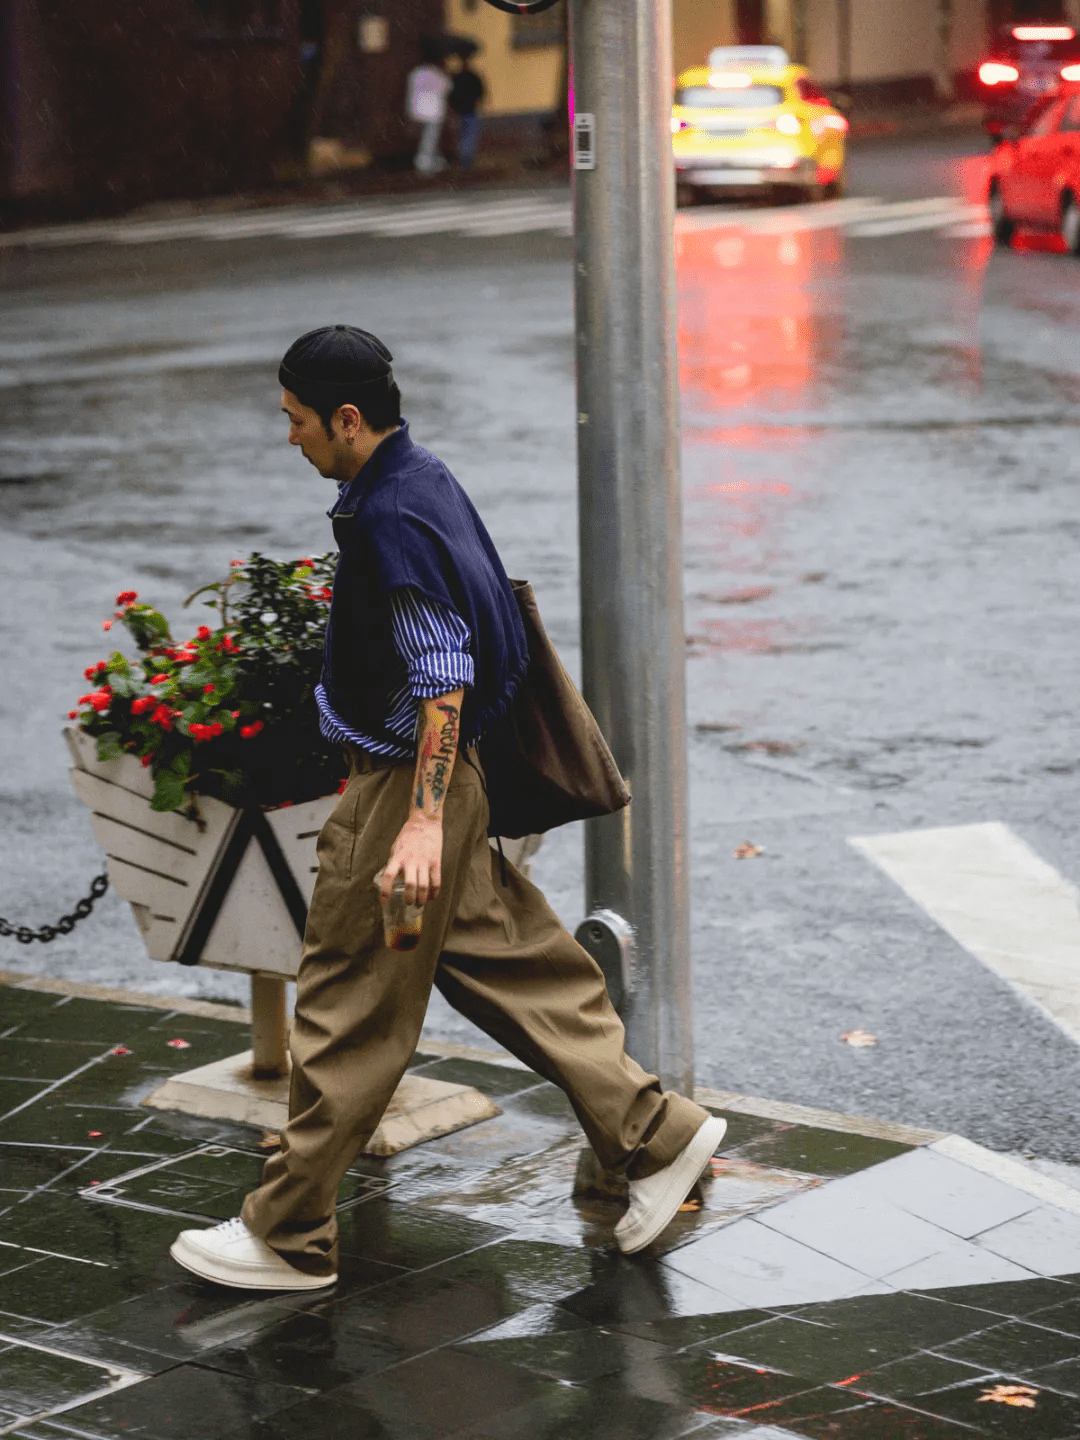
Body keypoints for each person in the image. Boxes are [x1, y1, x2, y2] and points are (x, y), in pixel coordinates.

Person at [169, 325, 725, 1290]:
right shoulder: (418, 477)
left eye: (297, 420)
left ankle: (286, 1235)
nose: (288, 436)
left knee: (348, 1003)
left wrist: (419, 822)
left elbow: (443, 670)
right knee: (519, 972)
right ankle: (655, 1134)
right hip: (447, 780)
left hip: (406, 791)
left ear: (347, 419)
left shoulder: (390, 517)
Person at [405, 55, 450, 174]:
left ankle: (434, 162)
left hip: (417, 111)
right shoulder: (438, 74)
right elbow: (447, 87)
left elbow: (411, 91)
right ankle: (424, 163)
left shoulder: (416, 73)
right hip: (434, 112)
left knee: (424, 138)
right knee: (430, 138)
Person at [448, 56, 485, 170]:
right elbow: (481, 92)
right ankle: (467, 159)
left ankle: (463, 158)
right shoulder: (473, 77)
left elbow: (451, 94)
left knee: (462, 135)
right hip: (471, 109)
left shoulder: (456, 78)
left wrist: (454, 107)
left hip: (459, 111)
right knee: (470, 135)